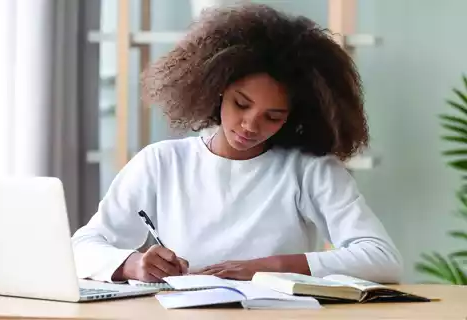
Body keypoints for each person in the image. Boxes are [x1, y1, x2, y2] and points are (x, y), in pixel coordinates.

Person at [72, 3, 402, 284]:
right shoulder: (162, 162)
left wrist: (272, 267)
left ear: (295, 116)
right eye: (241, 104)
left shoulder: (309, 169)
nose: (250, 125)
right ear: (216, 89)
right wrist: (134, 264)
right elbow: (81, 248)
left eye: (272, 116)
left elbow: (383, 258)